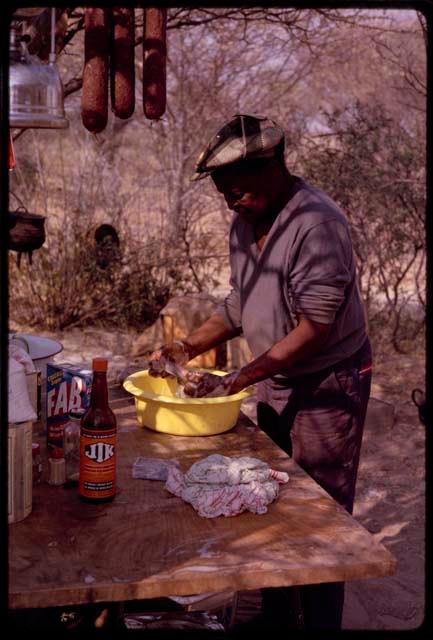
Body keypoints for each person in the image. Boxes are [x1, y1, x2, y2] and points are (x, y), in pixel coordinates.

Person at [149, 114, 372, 630]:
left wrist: (236, 380)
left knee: (319, 520)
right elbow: (239, 304)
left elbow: (316, 325)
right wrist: (184, 345)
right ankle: (275, 617)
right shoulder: (244, 221)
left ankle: (317, 622)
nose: (229, 196)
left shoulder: (316, 224)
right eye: (221, 188)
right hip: (275, 376)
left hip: (328, 384)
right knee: (273, 504)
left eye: (237, 184)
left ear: (273, 164)